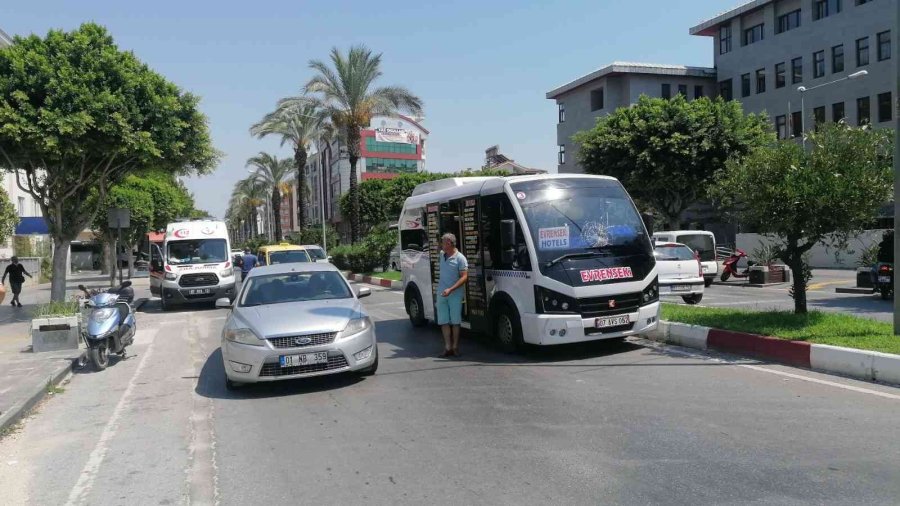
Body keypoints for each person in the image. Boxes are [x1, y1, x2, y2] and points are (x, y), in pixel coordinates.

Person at [436, 233, 468, 358]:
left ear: (449, 243)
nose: (441, 245)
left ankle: (455, 347)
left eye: (443, 242)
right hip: (441, 293)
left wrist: (451, 289)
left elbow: (464, 277)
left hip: (454, 294)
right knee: (443, 321)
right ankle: (447, 347)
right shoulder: (442, 255)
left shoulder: (460, 258)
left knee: (455, 322)